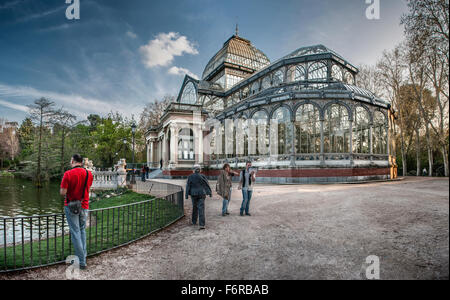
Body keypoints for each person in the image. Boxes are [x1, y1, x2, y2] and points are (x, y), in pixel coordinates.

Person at [60, 154, 93, 270]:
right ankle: (83, 256)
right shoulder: (89, 174)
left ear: (73, 161)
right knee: (82, 230)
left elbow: (63, 192)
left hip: (71, 206)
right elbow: (88, 190)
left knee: (75, 232)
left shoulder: (68, 174)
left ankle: (82, 261)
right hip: (84, 205)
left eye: (70, 160)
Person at [186, 164, 212, 230]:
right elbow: (206, 184)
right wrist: (209, 193)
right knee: (201, 208)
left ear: (194, 170)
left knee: (195, 207)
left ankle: (194, 221)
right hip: (202, 194)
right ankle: (202, 224)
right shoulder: (202, 176)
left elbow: (188, 186)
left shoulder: (190, 176)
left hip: (193, 194)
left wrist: (186, 195)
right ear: (200, 170)